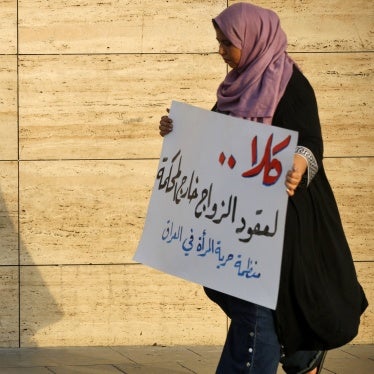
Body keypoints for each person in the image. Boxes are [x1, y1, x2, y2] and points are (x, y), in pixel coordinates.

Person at [159, 3, 368, 373]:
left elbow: (311, 141)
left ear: (253, 39)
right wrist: (178, 131)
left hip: (284, 218)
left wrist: (300, 160)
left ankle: (292, 356)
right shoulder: (235, 87)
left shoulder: (290, 84)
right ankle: (304, 356)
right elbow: (218, 136)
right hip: (238, 216)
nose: (221, 50)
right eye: (219, 42)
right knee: (234, 293)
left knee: (256, 307)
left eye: (227, 43)